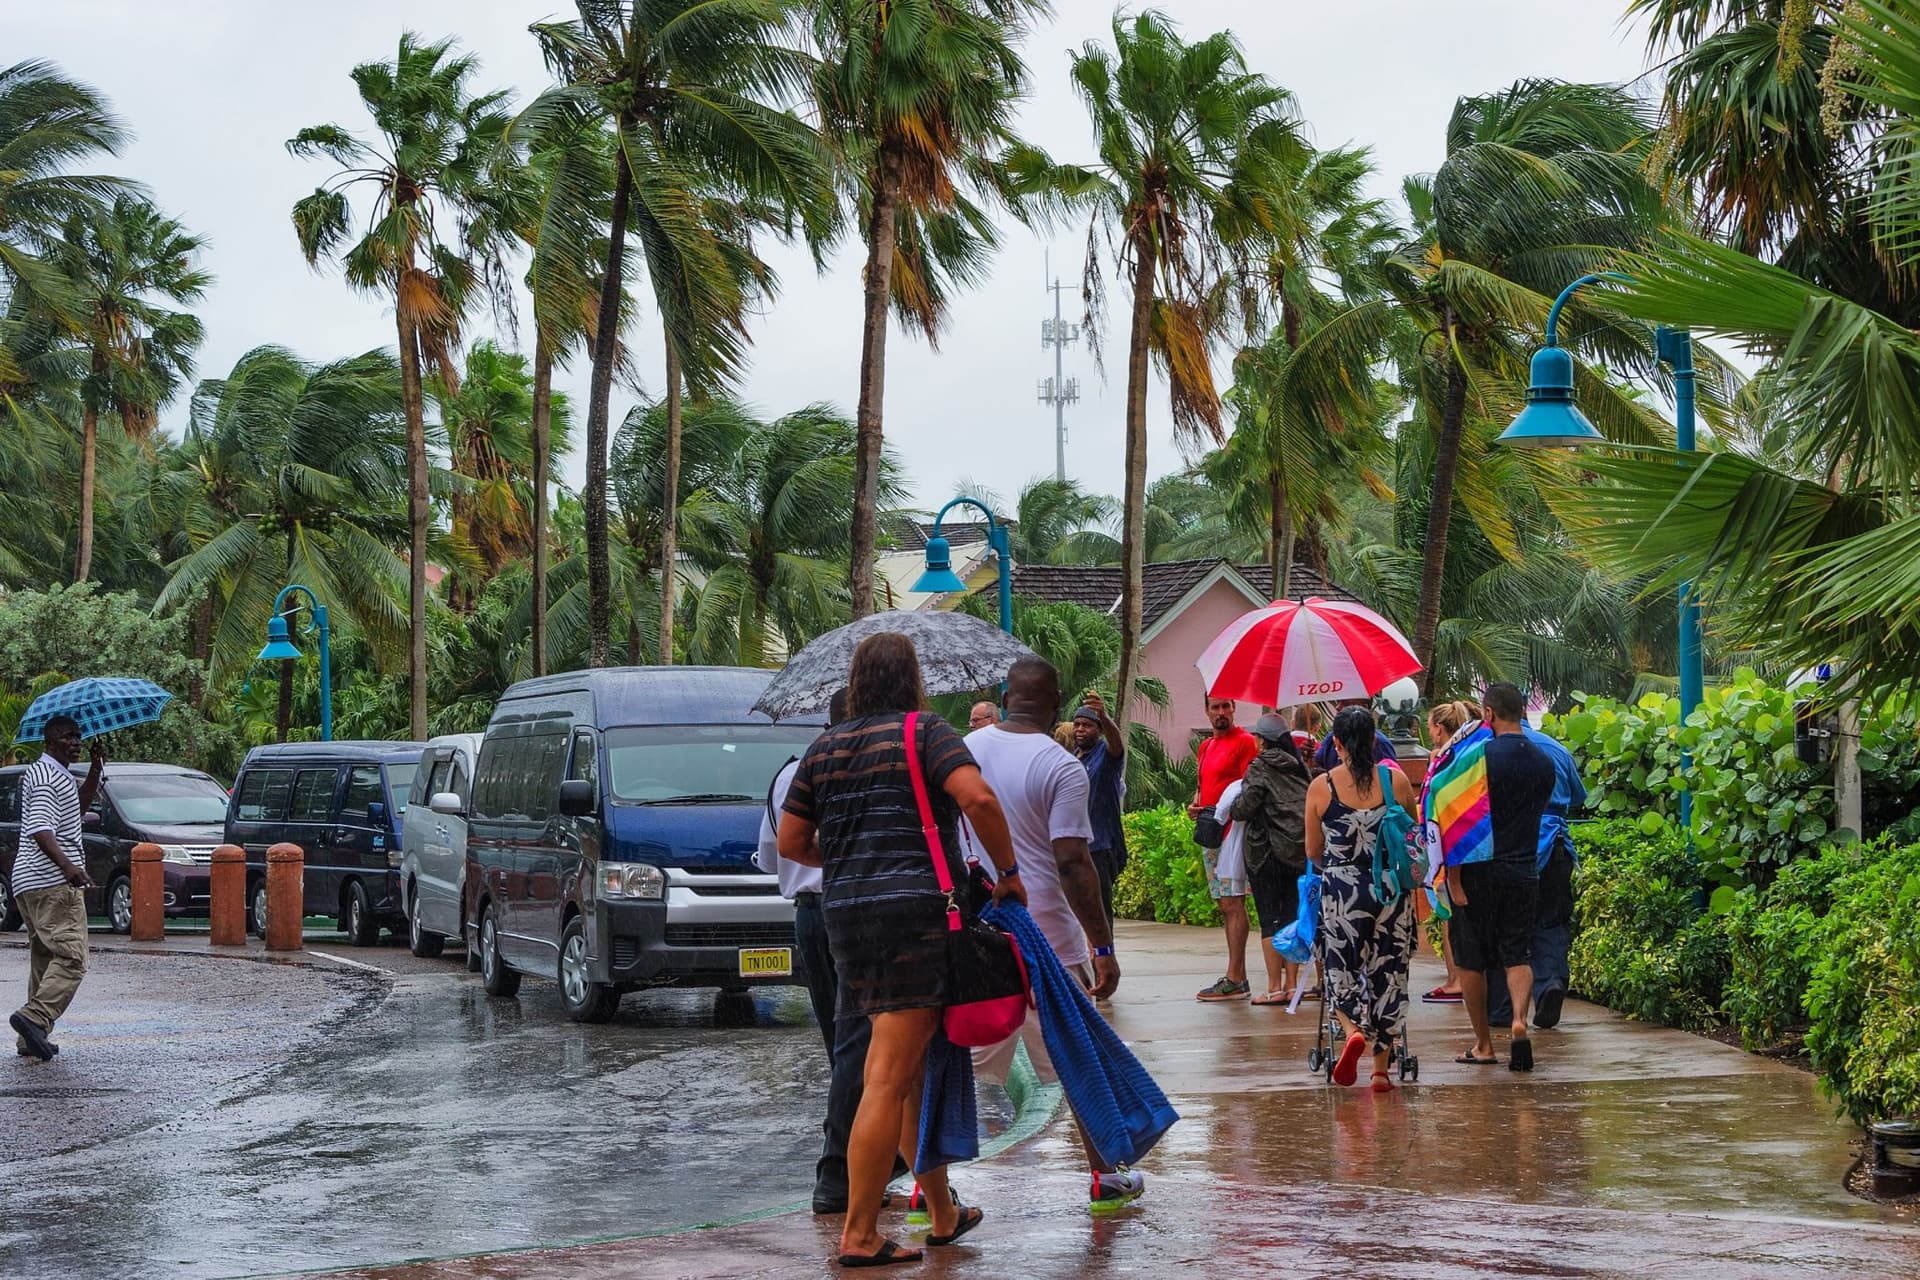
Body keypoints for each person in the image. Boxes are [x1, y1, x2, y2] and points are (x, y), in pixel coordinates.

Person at [778, 633, 1026, 1266]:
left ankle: (941, 1210)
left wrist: (851, 866)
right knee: (886, 1076)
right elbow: (978, 797)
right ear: (913, 678)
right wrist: (1008, 871)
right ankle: (860, 1233)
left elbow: (791, 841)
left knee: (906, 1069)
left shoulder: (824, 747)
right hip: (915, 919)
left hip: (846, 920)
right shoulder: (927, 732)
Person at [966, 657, 1144, 1213]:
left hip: (978, 931)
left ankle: (927, 1189)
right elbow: (1072, 861)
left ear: (1004, 694)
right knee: (1076, 1059)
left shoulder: (963, 753)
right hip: (1048, 937)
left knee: (949, 1057)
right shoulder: (1061, 766)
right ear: (1056, 699)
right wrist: (1103, 945)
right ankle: (1104, 1178)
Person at [756, 689, 906, 1216]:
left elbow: (771, 853)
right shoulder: (863, 769)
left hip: (809, 914)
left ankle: (876, 1160)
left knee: (845, 1044)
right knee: (861, 1047)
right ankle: (840, 1174)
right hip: (856, 910)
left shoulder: (787, 773)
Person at [1306, 706, 1421, 1091]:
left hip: (1341, 891)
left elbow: (1313, 851)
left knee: (1340, 969)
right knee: (1389, 973)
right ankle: (1380, 1071)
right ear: (1374, 740)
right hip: (1390, 890)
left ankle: (1353, 1029)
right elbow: (1414, 842)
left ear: (1336, 743)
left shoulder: (1322, 787)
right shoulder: (1397, 781)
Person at [1451, 682, 1556, 1073]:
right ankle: (1518, 1021)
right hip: (1524, 869)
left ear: (1488, 714)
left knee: (1471, 959)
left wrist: (1455, 879)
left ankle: (1483, 1044)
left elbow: (1458, 820)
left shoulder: (1477, 757)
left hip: (1479, 870)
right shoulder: (1544, 760)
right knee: (1518, 953)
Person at [1483, 712, 1587, 1032]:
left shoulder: (1490, 752)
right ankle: (1550, 983)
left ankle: (1503, 1009)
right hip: (1556, 845)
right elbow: (1580, 797)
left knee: (1505, 928)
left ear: (1491, 715)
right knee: (1551, 921)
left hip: (1513, 847)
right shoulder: (1555, 748)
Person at [8, 716, 103, 1062]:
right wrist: (69, 867)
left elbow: (74, 811)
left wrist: (95, 769)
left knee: (46, 959)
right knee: (73, 958)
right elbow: (40, 827)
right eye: (67, 737)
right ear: (49, 742)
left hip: (29, 881)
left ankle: (30, 1037)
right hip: (50, 882)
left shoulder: (50, 773)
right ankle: (35, 1017)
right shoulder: (48, 777)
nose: (75, 742)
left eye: (78, 736)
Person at [1230, 714, 1312, 1005]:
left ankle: (1274, 987)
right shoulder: (1300, 768)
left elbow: (1244, 808)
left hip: (1266, 853)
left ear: (1262, 740)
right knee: (1293, 916)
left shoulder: (1260, 766)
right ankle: (1292, 985)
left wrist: (1234, 803)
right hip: (1297, 853)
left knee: (1270, 919)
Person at [1189, 696, 1259, 1002]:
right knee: (1224, 904)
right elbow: (1205, 786)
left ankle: (1234, 978)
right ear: (1206, 710)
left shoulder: (1245, 742)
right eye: (1215, 707)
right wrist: (1198, 805)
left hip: (1234, 836)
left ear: (1234, 709)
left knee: (1233, 903)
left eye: (1225, 707)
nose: (1221, 713)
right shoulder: (1205, 747)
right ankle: (1237, 976)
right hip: (1212, 834)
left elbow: (1249, 788)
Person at [1418, 700, 1480, 1006]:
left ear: (1439, 729)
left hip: (1443, 847)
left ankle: (1456, 979)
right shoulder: (1467, 755)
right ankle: (1458, 977)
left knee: (1447, 914)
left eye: (1429, 726)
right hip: (1455, 844)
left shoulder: (1445, 762)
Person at [1069, 691, 1127, 933]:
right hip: (1075, 846)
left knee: (1100, 912)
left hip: (1100, 847)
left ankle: (1104, 964)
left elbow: (1117, 744)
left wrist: (1104, 716)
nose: (1081, 729)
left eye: (1088, 725)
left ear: (1099, 729)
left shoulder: (1106, 754)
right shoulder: (1073, 757)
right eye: (1077, 724)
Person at [1314, 699, 1400, 773]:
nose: (1338, 707)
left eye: (1346, 703)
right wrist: (1307, 758)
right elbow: (1317, 765)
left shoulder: (1381, 744)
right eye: (1339, 702)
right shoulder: (1331, 737)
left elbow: (1390, 781)